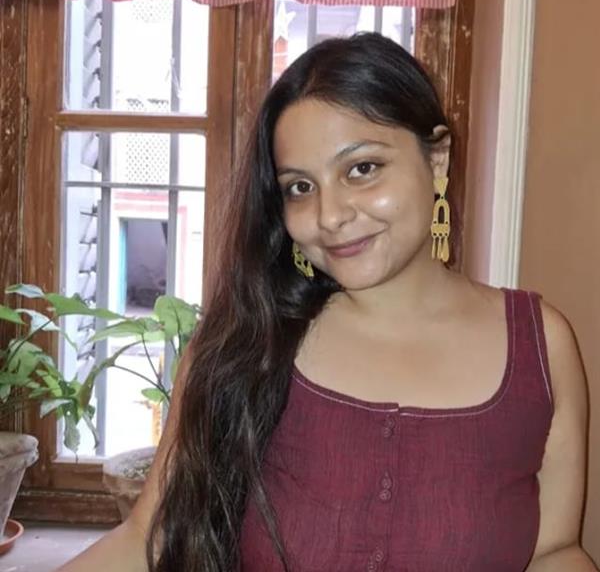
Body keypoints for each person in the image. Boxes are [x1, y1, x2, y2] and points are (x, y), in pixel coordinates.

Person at [59, 32, 596, 572]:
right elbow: (147, 538)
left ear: (437, 157)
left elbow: (555, 550)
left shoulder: (541, 348)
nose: (330, 215)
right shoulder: (244, 346)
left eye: (362, 168)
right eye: (300, 187)